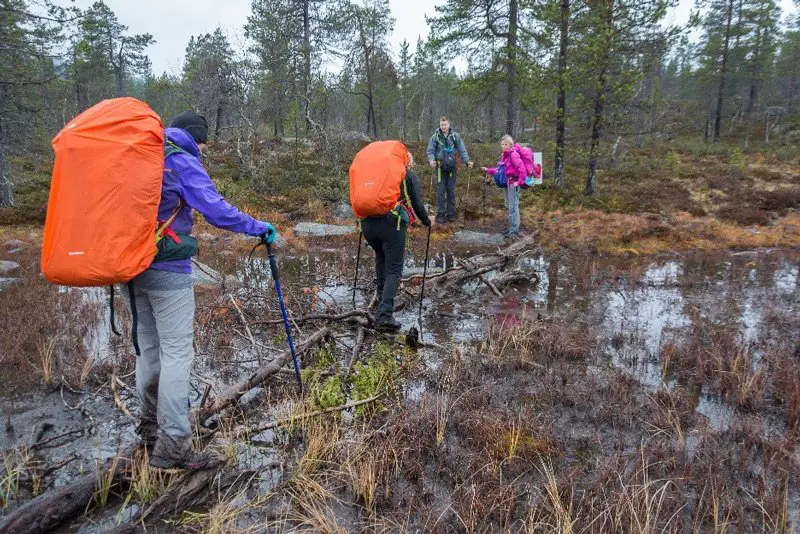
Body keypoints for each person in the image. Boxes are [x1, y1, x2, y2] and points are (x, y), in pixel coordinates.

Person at [128, 111, 277, 470]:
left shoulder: (142, 156)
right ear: (197, 139)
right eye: (204, 143)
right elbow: (215, 209)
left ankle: (149, 429)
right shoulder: (181, 160)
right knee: (178, 354)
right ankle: (174, 445)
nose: (204, 150)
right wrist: (257, 226)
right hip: (168, 270)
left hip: (131, 268)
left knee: (149, 350)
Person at [361, 151, 432, 332]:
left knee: (381, 259)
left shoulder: (377, 173)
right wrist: (427, 221)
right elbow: (416, 203)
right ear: (407, 161)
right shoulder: (406, 174)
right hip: (391, 224)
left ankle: (380, 303)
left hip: (368, 224)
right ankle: (384, 316)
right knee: (394, 270)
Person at [426, 116, 473, 224]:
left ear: (449, 124)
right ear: (440, 124)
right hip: (439, 169)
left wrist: (467, 161)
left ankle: (451, 214)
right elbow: (430, 151)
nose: (443, 126)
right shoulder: (435, 137)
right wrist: (431, 160)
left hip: (452, 169)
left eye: (445, 124)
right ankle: (440, 215)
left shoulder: (455, 136)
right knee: (440, 192)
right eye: (442, 124)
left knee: (451, 191)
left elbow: (462, 150)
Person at [482, 135, 526, 239]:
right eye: (502, 144)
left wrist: (519, 182)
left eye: (505, 144)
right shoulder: (505, 156)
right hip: (507, 182)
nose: (503, 146)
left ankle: (515, 229)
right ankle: (511, 227)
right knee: (508, 204)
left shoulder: (513, 155)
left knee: (513, 206)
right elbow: (500, 170)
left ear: (510, 145)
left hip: (513, 182)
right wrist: (488, 170)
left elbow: (522, 170)